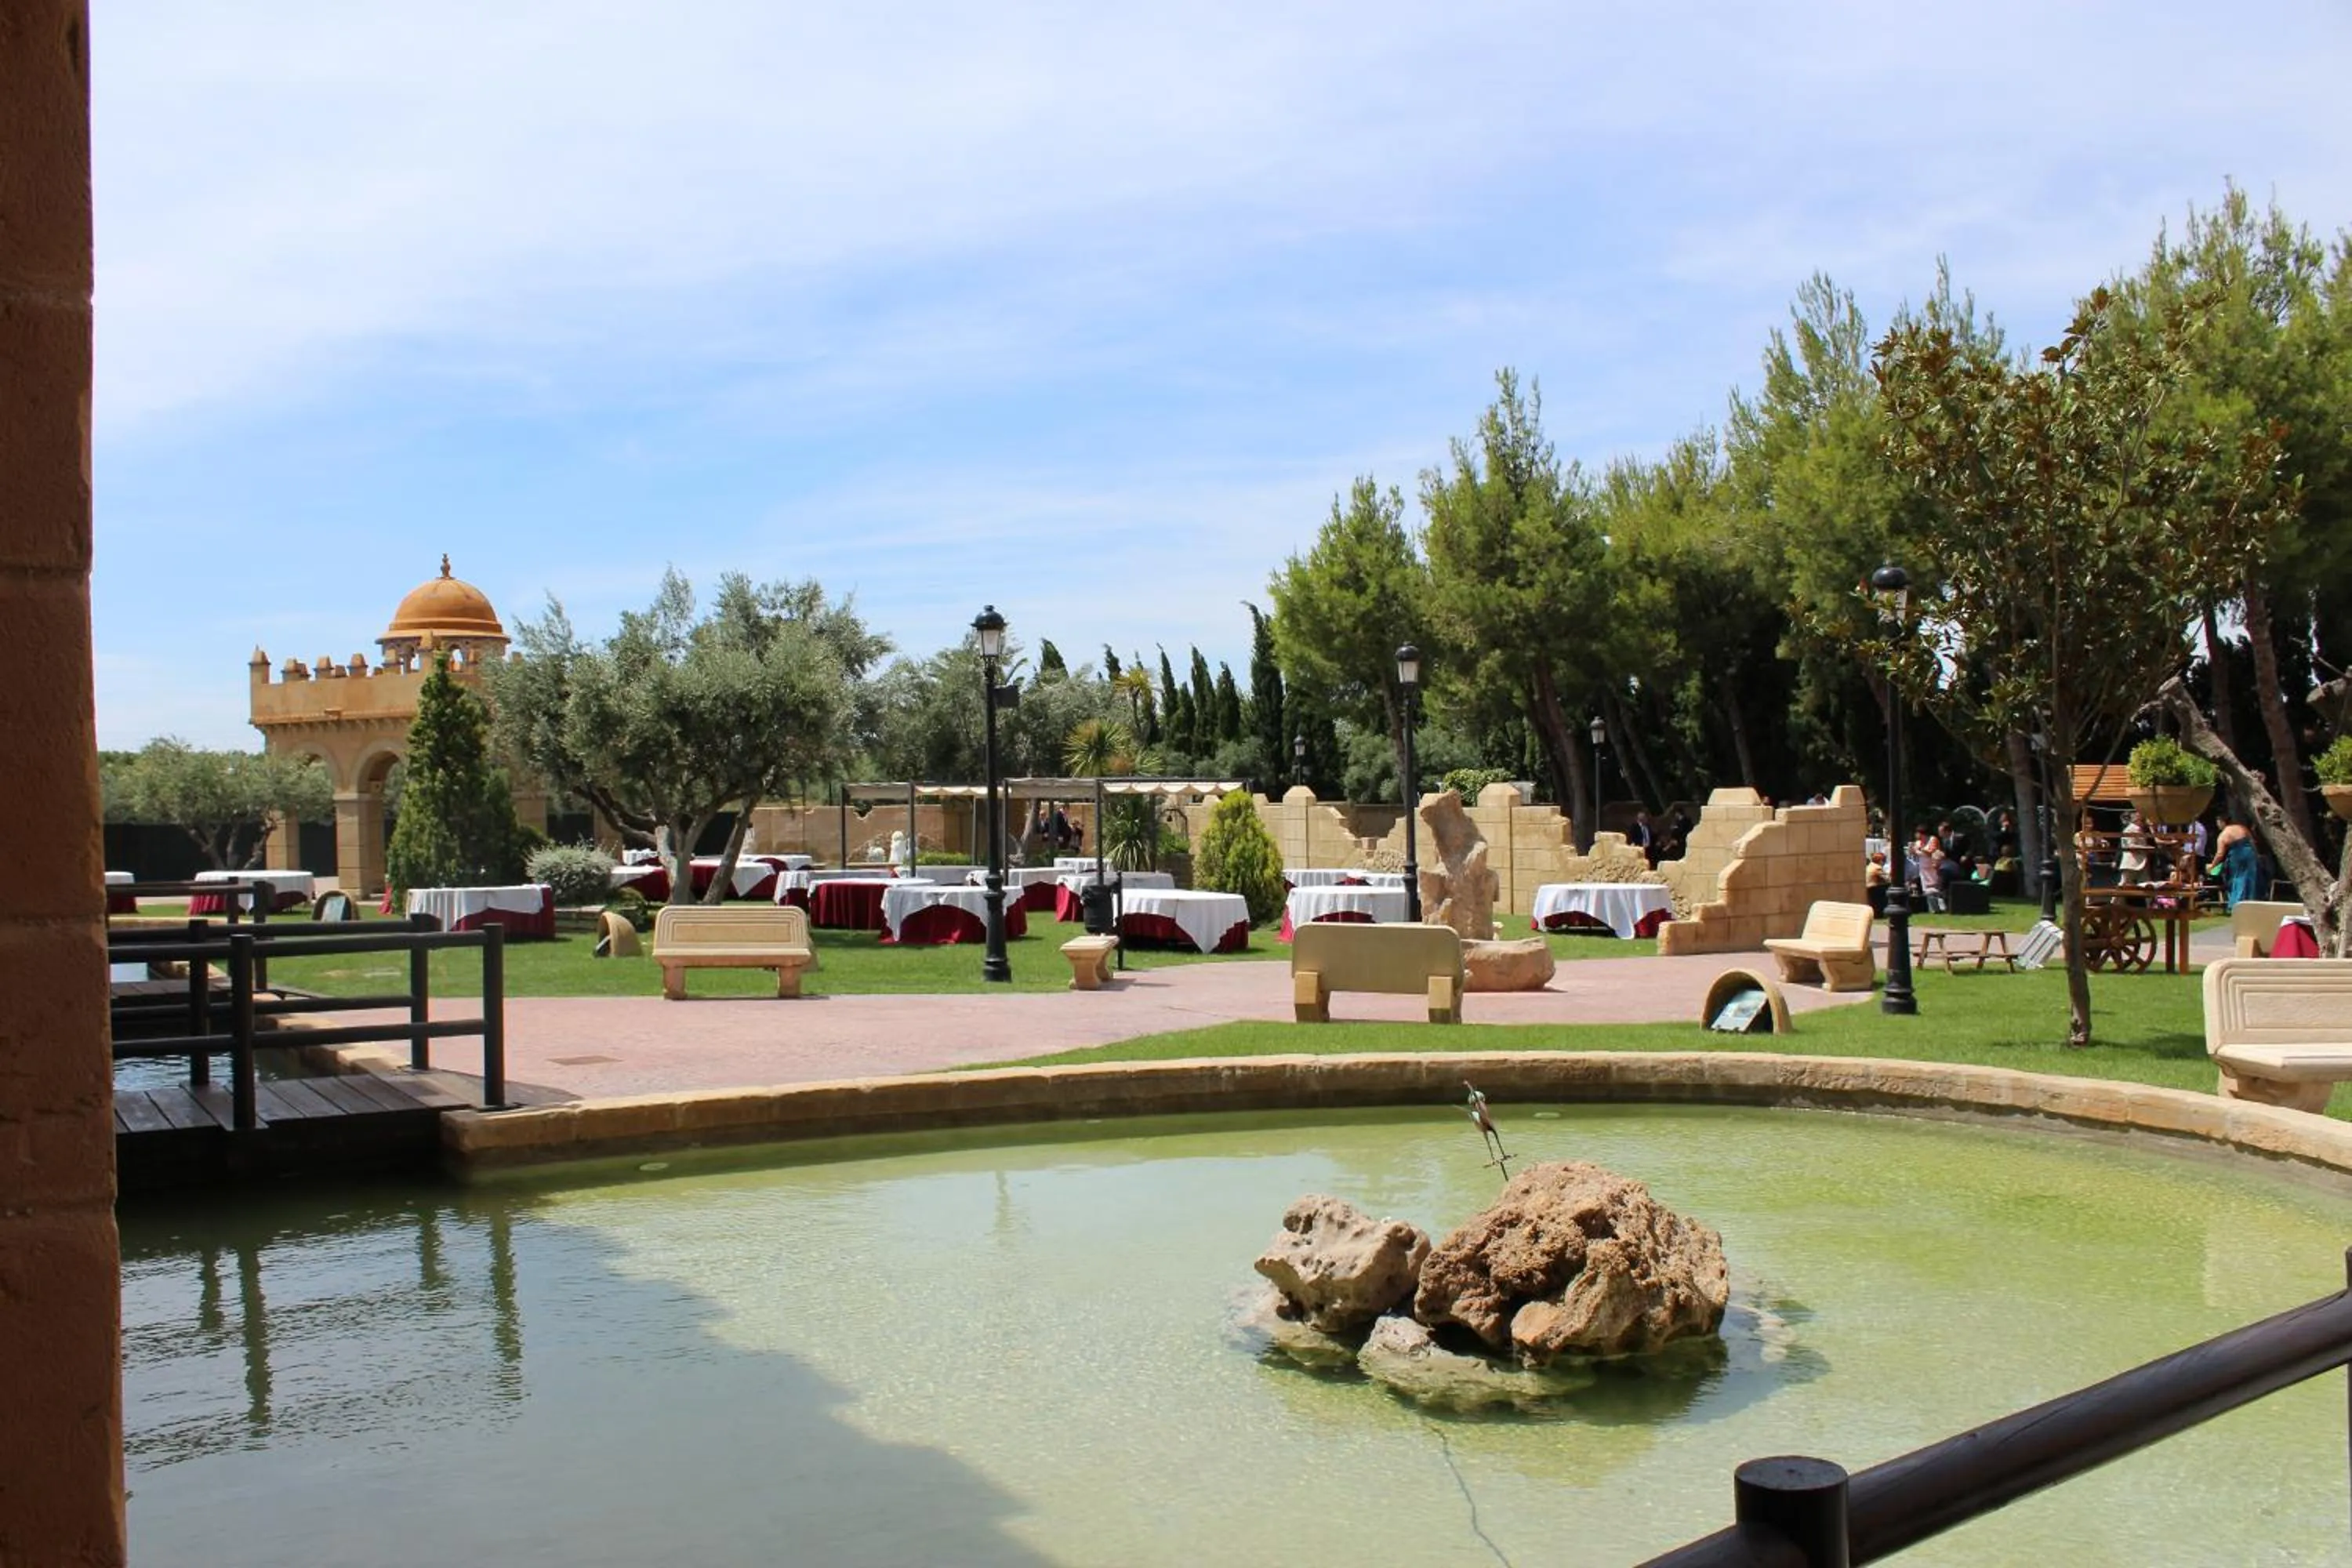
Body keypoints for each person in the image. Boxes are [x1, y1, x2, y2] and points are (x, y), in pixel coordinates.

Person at [2209, 819, 2260, 909]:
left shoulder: (2223, 835)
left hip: (2236, 856)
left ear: (2223, 822)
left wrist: (2212, 866)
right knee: (2250, 878)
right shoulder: (2242, 828)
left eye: (2218, 822)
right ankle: (2250, 903)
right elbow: (2252, 842)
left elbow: (2220, 854)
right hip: (2249, 853)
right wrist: (2256, 855)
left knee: (2237, 878)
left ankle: (2237, 903)